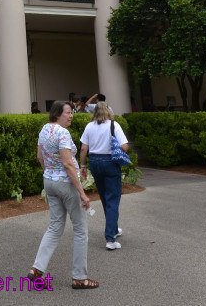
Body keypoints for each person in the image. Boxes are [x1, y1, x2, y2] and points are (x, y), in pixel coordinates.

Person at [28, 102, 97, 289]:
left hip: (49, 182)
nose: (71, 115)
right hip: (66, 185)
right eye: (68, 112)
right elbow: (68, 164)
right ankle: (79, 278)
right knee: (81, 229)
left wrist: (49, 173)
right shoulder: (62, 133)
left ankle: (37, 268)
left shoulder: (44, 129)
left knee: (55, 226)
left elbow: (39, 157)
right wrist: (82, 193)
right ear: (58, 114)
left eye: (72, 112)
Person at [79, 102, 129, 250]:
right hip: (110, 162)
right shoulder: (114, 125)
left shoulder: (89, 126)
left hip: (94, 162)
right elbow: (125, 146)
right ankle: (110, 239)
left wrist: (83, 166)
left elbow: (83, 148)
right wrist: (116, 149)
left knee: (105, 198)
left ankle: (113, 228)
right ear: (108, 111)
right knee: (113, 199)